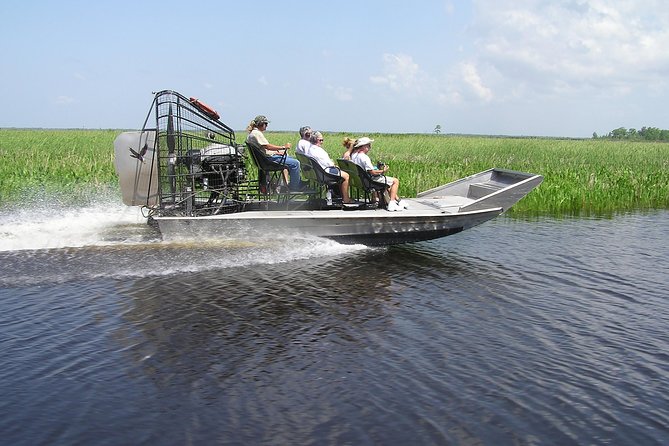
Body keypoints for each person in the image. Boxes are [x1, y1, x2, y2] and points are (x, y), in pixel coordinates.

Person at [246, 115, 303, 192]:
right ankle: (295, 187)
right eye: (266, 124)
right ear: (261, 124)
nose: (267, 126)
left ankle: (291, 184)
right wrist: (283, 147)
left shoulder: (253, 133)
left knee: (291, 159)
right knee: (295, 163)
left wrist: (276, 152)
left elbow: (263, 149)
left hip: (265, 159)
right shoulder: (256, 133)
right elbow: (267, 146)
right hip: (268, 160)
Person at [351, 137, 406, 211]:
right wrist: (383, 171)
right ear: (364, 146)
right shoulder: (364, 157)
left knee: (388, 181)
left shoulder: (355, 156)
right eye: (368, 145)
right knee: (395, 181)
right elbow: (372, 172)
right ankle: (392, 203)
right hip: (370, 181)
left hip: (363, 180)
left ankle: (390, 201)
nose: (369, 147)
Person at [306, 131, 354, 204]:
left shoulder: (310, 149)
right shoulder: (318, 150)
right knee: (346, 176)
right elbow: (327, 163)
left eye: (322, 140)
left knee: (341, 173)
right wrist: (334, 165)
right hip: (325, 172)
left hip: (319, 172)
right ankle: (346, 199)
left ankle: (339, 196)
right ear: (316, 140)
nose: (322, 142)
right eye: (320, 140)